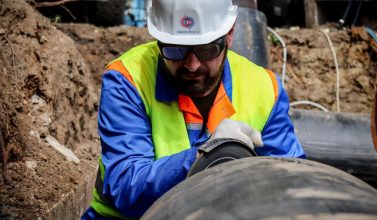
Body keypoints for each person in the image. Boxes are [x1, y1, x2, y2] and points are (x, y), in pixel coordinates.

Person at [82, 0, 305, 219]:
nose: (192, 65)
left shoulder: (264, 88)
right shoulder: (129, 78)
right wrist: (205, 155)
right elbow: (125, 188)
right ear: (158, 40)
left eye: (207, 49)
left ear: (229, 34)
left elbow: (292, 181)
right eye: (176, 50)